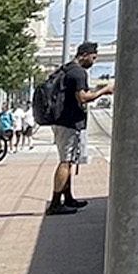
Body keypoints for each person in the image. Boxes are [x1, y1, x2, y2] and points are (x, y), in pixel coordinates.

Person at [49, 41, 112, 216]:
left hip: (62, 121)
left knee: (68, 161)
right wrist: (103, 90)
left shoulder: (67, 68)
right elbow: (83, 97)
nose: (94, 61)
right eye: (93, 57)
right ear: (84, 55)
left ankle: (67, 197)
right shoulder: (78, 73)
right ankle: (55, 202)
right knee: (65, 162)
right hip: (68, 122)